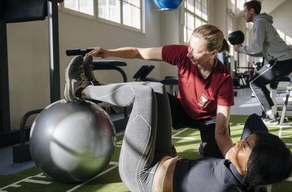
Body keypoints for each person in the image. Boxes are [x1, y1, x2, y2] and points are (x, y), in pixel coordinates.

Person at [63, 55, 292, 192]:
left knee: (142, 94)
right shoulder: (244, 172)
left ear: (254, 168)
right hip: (163, 157)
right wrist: (266, 145)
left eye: (246, 147)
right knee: (157, 89)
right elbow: (254, 120)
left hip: (142, 174)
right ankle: (97, 89)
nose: (240, 142)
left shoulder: (231, 191)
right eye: (247, 141)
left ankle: (81, 89)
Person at [86, 24, 234, 158]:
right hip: (182, 110)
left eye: (196, 51)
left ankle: (205, 146)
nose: (189, 53)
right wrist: (109, 52)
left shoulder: (223, 79)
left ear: (213, 53)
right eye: (189, 46)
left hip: (209, 120)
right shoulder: (182, 54)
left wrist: (233, 163)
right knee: (154, 93)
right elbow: (139, 52)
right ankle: (167, 148)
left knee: (215, 156)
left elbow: (221, 132)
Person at [233, 0, 292, 125]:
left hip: (283, 61)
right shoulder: (261, 22)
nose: (243, 14)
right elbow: (260, 51)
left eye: (245, 11)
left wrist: (240, 49)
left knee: (254, 82)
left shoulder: (260, 22)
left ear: (252, 11)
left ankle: (271, 115)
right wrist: (242, 50)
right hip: (283, 60)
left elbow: (256, 47)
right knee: (257, 82)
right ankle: (271, 113)